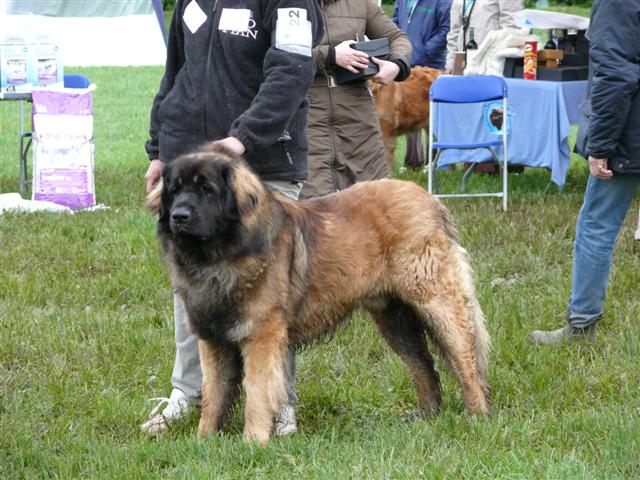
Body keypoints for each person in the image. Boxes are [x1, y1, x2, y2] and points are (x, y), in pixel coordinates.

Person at [140, 0, 323, 434]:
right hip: (190, 166)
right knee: (193, 289)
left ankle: (277, 405)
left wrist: (243, 137)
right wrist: (158, 150)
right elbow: (175, 74)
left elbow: (292, 69)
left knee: (269, 293)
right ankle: (189, 394)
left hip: (260, 166)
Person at [531, 0, 640, 344]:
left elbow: (616, 76)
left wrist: (602, 146)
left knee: (597, 225)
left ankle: (581, 326)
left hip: (631, 134)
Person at [299, 0, 412, 199]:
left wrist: (396, 64)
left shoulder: (361, 3)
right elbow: (272, 53)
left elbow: (397, 37)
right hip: (307, 112)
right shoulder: (284, 4)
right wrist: (330, 55)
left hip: (358, 115)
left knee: (374, 199)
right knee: (314, 206)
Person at [393, 0, 451, 169]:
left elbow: (446, 28)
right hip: (406, 62)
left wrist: (424, 50)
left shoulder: (443, 1)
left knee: (432, 116)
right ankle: (413, 162)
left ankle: (437, 162)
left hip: (432, 65)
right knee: (411, 111)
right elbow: (395, 23)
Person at [445, 0, 522, 73]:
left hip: (490, 64)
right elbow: (454, 32)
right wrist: (451, 63)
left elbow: (511, 28)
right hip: (462, 63)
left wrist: (495, 61)